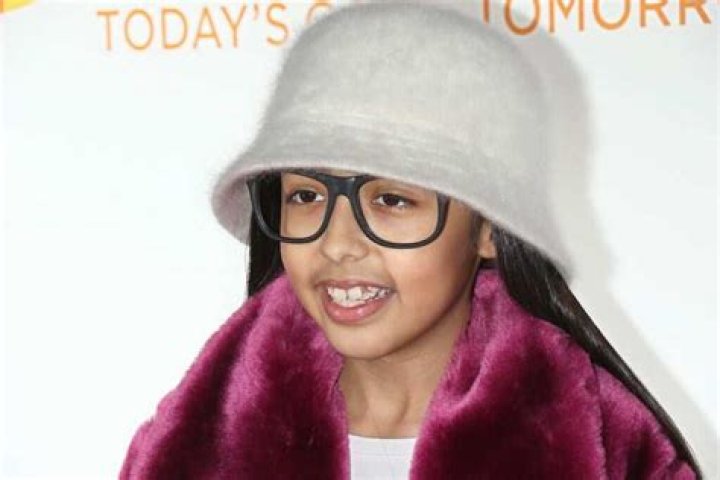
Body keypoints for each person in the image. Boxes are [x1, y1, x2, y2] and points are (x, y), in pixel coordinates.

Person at [119, 2, 702, 479]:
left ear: (490, 227)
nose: (338, 243)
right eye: (306, 196)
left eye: (392, 200)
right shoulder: (186, 449)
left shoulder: (614, 452)